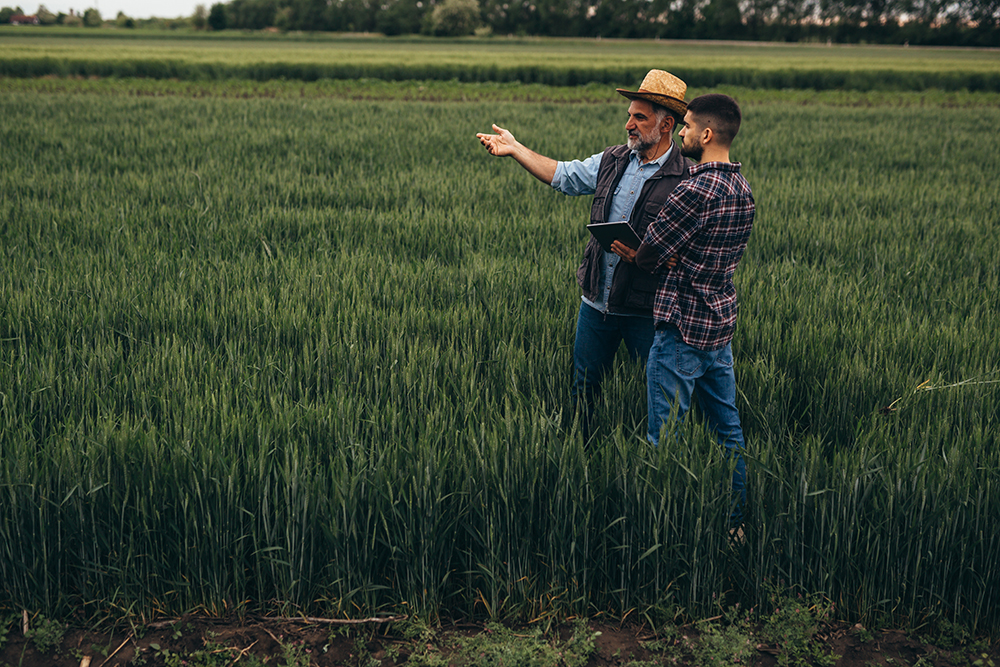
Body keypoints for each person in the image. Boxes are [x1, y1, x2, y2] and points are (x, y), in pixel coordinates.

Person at [476, 70, 693, 439]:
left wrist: (645, 254)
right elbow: (564, 174)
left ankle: (662, 467)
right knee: (583, 392)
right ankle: (582, 451)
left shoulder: (687, 177)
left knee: (661, 400)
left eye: (639, 117)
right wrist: (516, 149)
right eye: (629, 115)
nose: (629, 124)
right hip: (596, 303)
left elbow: (692, 250)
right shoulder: (613, 160)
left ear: (667, 124)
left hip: (648, 310)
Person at [613, 93, 754, 528]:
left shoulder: (692, 188)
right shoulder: (743, 189)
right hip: (719, 329)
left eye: (689, 127)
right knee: (728, 432)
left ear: (707, 134)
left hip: (680, 330)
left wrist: (638, 254)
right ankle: (735, 523)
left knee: (664, 439)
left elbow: (652, 250)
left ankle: (662, 527)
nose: (685, 134)